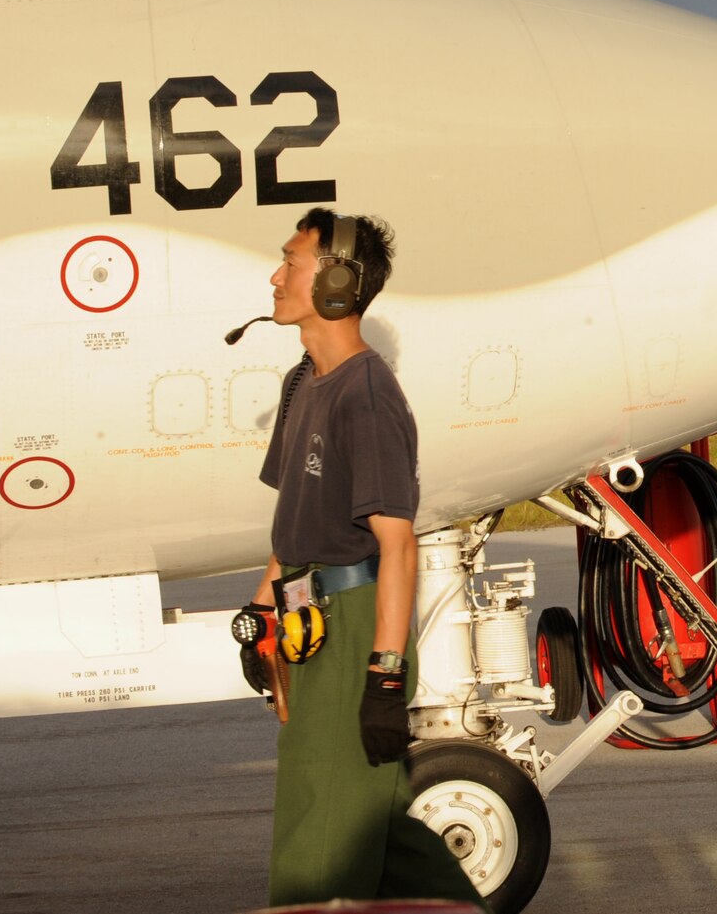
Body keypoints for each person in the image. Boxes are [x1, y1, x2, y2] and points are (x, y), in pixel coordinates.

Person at [239, 209, 486, 910]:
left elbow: (396, 543)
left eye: (291, 261)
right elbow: (294, 523)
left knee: (321, 830)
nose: (275, 274)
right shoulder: (304, 384)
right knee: (371, 818)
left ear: (337, 281)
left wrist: (384, 675)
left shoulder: (368, 397)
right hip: (305, 614)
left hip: (350, 625)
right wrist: (263, 605)